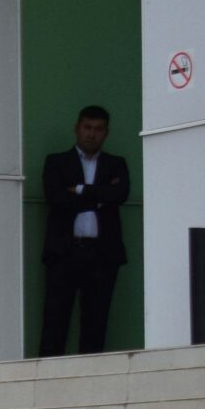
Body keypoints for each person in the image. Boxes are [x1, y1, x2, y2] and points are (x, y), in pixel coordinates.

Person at [38, 104, 130, 357]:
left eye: (98, 129)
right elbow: (56, 199)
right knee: (55, 321)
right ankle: (49, 375)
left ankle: (91, 377)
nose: (91, 134)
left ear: (106, 133)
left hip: (102, 254)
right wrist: (99, 198)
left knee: (96, 324)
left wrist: (79, 190)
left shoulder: (115, 164)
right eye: (87, 127)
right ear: (77, 129)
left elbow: (120, 194)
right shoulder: (57, 162)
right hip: (64, 252)